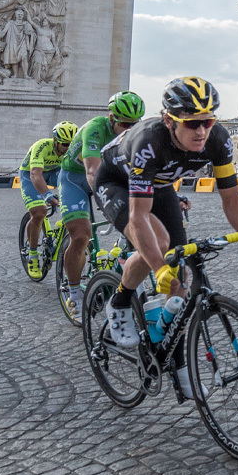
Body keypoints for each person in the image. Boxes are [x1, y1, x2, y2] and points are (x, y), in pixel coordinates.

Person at [93, 77, 238, 399]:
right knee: (160, 248)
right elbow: (138, 217)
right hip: (116, 182)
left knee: (180, 283)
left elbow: (231, 198)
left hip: (159, 185)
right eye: (192, 124)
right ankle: (119, 301)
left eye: (207, 121)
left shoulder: (217, 140)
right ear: (169, 120)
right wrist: (158, 267)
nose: (201, 131)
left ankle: (181, 371)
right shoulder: (149, 142)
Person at [58, 91, 145, 317]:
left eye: (134, 125)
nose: (129, 130)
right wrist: (107, 203)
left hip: (109, 176)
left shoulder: (134, 132)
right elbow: (92, 171)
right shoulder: (95, 129)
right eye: (125, 124)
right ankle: (74, 291)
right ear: (112, 118)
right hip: (75, 179)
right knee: (81, 235)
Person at [19, 121, 77, 275]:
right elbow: (35, 175)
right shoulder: (42, 146)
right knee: (39, 211)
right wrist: (47, 195)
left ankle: (57, 231)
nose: (67, 148)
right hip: (30, 174)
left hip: (53, 172)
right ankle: (32, 255)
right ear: (55, 140)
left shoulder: (71, 149)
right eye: (65, 144)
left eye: (71, 145)